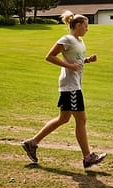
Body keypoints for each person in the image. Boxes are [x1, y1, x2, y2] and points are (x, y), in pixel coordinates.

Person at [22, 11, 107, 168]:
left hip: (74, 84)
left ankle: (31, 143)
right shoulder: (66, 39)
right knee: (81, 120)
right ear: (78, 25)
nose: (87, 29)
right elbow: (50, 56)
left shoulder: (79, 41)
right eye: (86, 26)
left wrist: (87, 60)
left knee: (63, 119)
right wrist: (69, 66)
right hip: (70, 86)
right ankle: (87, 157)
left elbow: (76, 61)